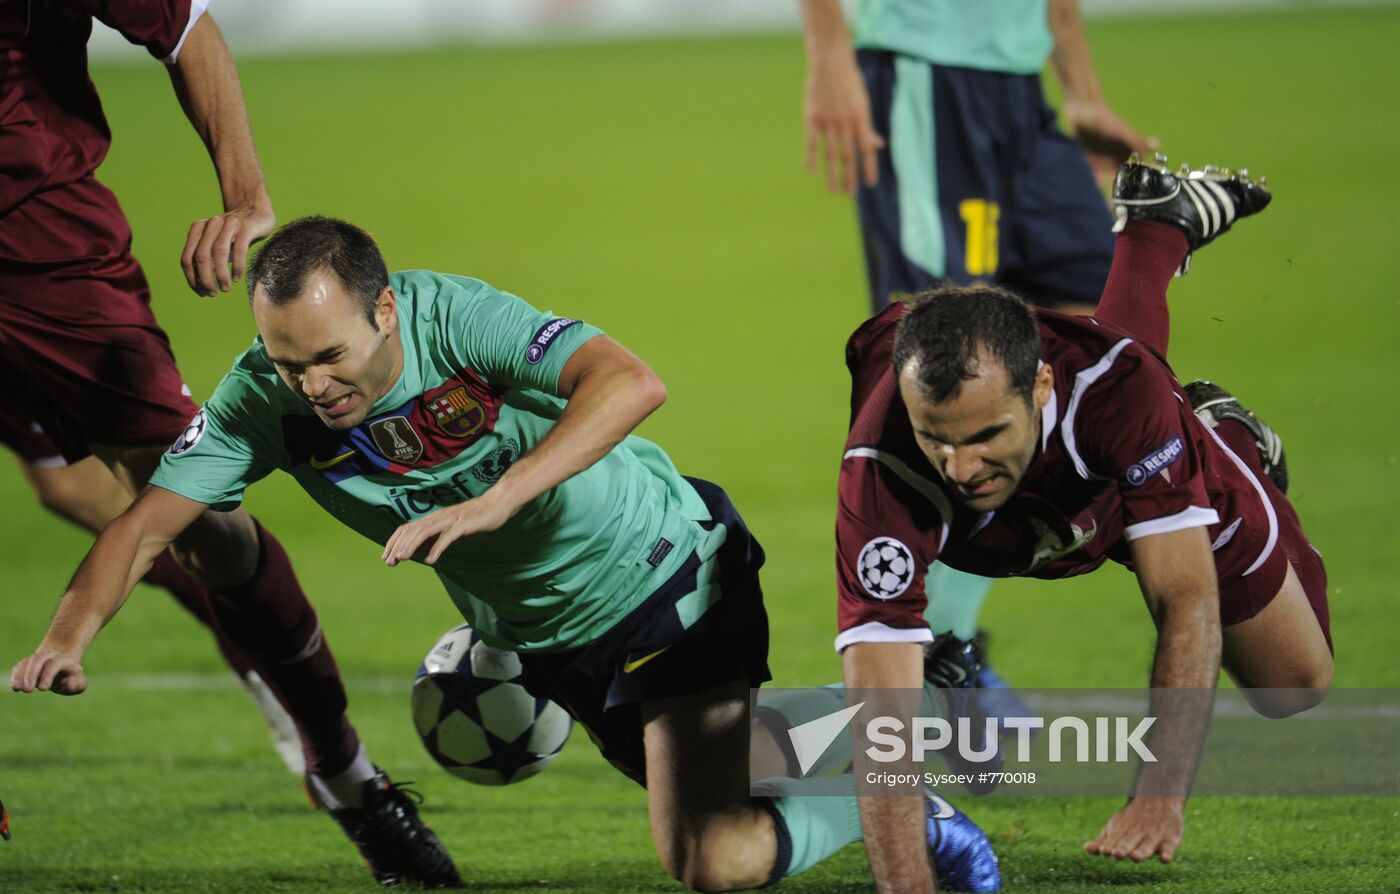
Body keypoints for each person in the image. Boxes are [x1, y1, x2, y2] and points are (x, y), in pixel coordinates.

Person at [13, 216, 1003, 892]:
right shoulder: (259, 402)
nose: (311, 385)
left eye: (329, 356)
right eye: (286, 362)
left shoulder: (458, 319)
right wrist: (68, 634)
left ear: (384, 310)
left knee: (710, 857)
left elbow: (627, 382)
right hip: (549, 638)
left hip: (666, 569)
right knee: (731, 786)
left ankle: (908, 781)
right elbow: (147, 522)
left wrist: (495, 501)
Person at [0, 3, 457, 886]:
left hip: (39, 245)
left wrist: (246, 196)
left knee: (199, 522)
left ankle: (344, 775)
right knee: (71, 491)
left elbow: (184, 26)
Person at [834, 156, 1331, 886]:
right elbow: (880, 717)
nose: (960, 467)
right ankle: (1158, 226)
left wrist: (1158, 795)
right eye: (937, 437)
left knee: (1295, 684)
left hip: (1125, 497)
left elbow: (1184, 598)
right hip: (1039, 507)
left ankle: (1230, 440)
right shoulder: (882, 466)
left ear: (1039, 389)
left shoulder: (1116, 392)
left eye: (983, 437)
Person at [800, 0, 1153, 674]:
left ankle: (949, 642)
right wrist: (828, 53)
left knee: (1100, 340)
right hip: (926, 73)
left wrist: (1081, 90)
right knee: (943, 359)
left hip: (1020, 89)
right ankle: (916, 649)